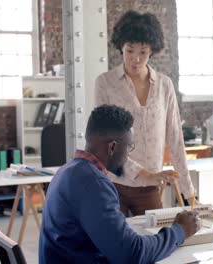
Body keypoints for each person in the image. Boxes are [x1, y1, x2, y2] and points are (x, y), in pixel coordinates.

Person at [39, 104, 200, 263]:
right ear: (112, 147)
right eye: (129, 146)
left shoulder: (68, 170)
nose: (128, 156)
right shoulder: (94, 184)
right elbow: (131, 254)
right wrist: (179, 231)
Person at [95, 10, 196, 216]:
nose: (136, 59)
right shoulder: (105, 83)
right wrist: (144, 174)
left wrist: (189, 192)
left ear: (152, 51)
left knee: (155, 241)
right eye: (130, 51)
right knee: (116, 245)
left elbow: (175, 139)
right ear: (121, 47)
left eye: (143, 52)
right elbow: (106, 142)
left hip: (150, 188)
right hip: (114, 184)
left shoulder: (164, 85)